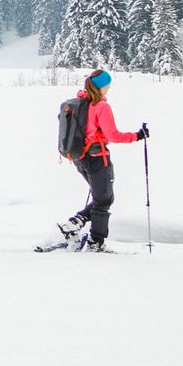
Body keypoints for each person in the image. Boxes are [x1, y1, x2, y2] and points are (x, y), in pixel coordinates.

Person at [61, 69, 147, 251]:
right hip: (98, 159)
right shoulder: (101, 106)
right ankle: (94, 242)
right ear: (102, 86)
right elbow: (113, 136)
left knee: (102, 197)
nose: (109, 87)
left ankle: (76, 224)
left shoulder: (81, 103)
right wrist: (137, 136)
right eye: (108, 84)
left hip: (80, 159)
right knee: (104, 200)